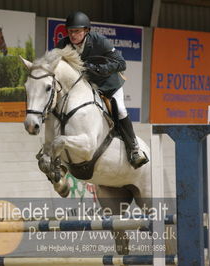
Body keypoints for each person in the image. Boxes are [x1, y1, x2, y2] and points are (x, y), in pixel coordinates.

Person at [55, 11, 148, 169]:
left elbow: (121, 63)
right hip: (84, 86)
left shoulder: (99, 41)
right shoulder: (63, 45)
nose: (73, 35)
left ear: (86, 31)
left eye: (77, 31)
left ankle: (134, 149)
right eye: (70, 31)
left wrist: (97, 69)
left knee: (120, 110)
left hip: (108, 83)